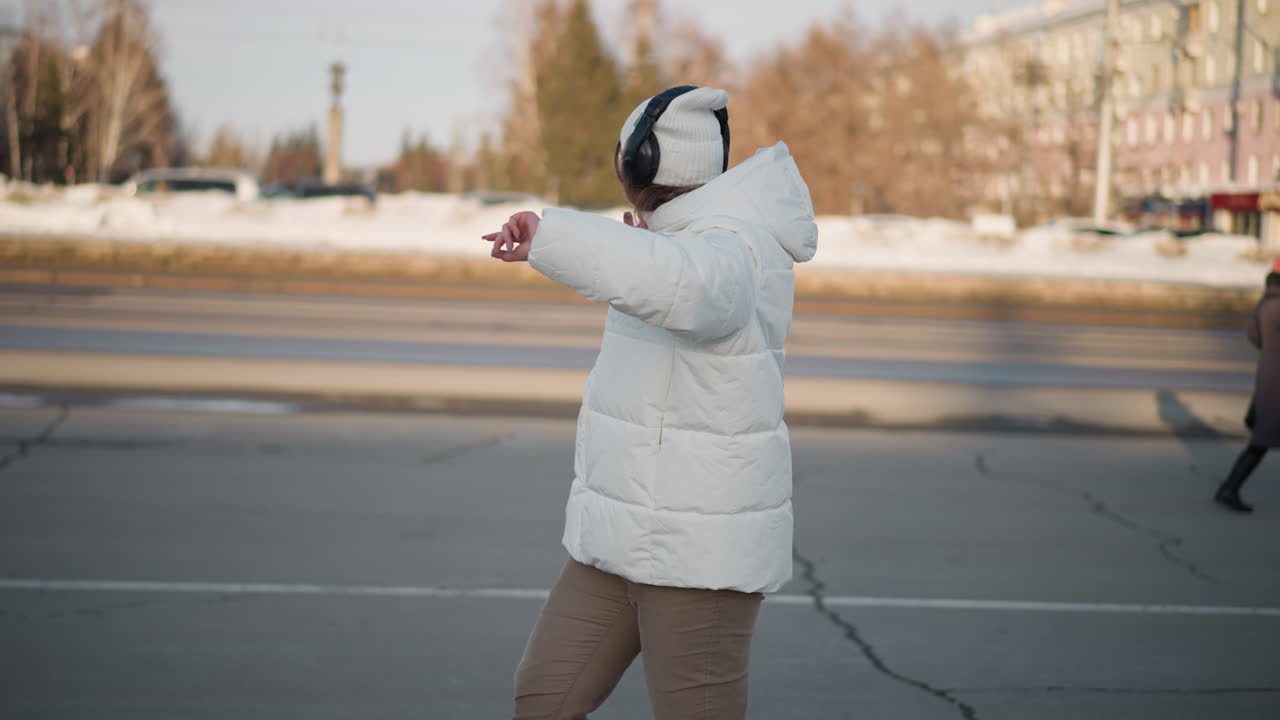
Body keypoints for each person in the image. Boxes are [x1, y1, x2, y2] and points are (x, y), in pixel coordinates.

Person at [482, 85, 817, 719]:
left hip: (698, 555)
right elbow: (662, 272)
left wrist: (553, 238)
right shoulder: (669, 241)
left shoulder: (734, 246)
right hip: (620, 539)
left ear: (643, 163)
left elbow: (692, 291)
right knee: (545, 697)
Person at [1215, 260, 1280, 513]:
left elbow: (1254, 336)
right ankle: (1229, 489)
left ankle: (1229, 488)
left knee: (1261, 440)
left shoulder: (1265, 302)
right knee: (1260, 442)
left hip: (1268, 376)